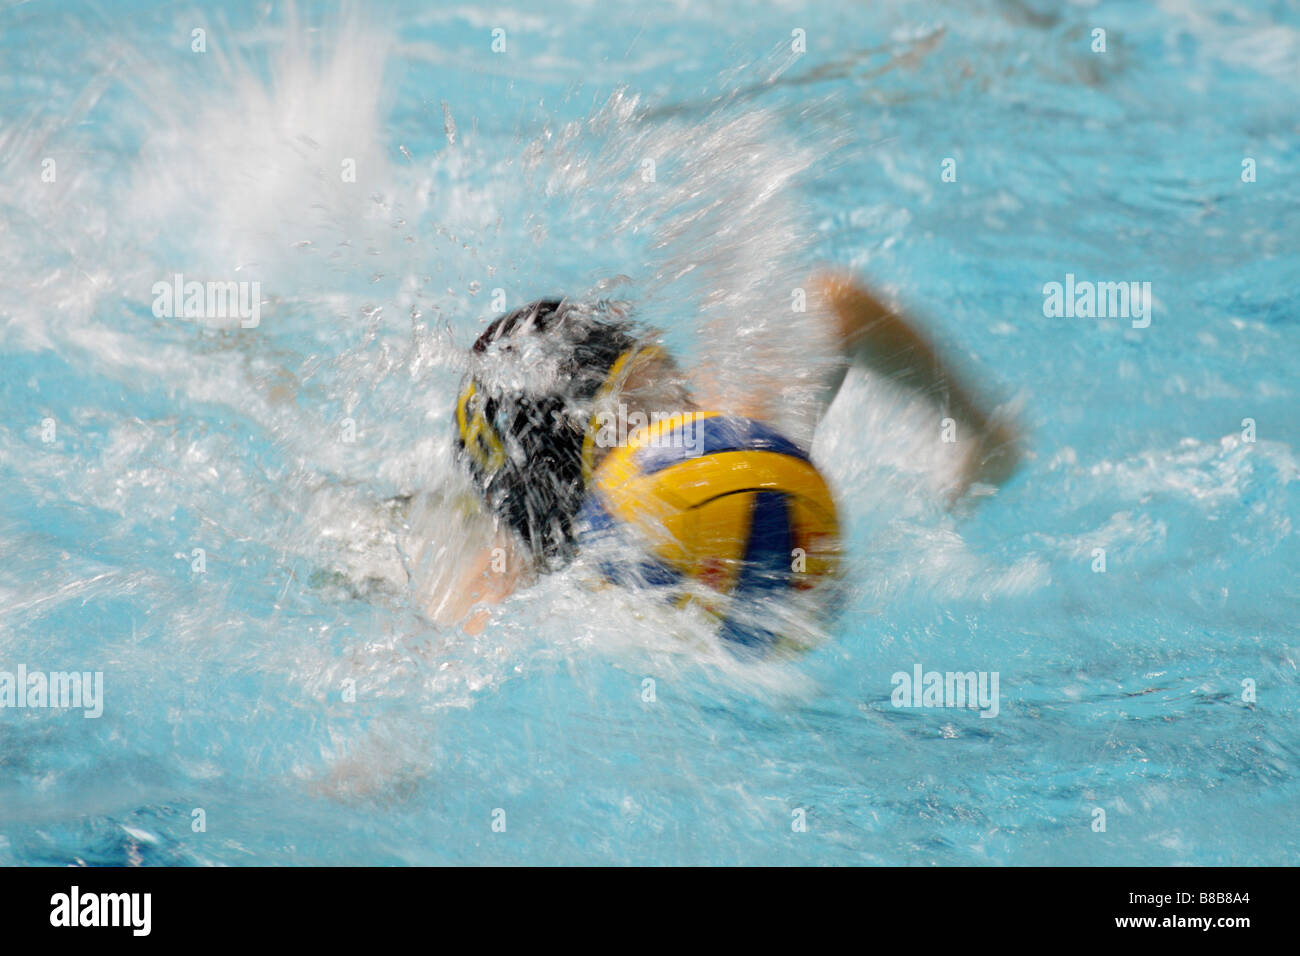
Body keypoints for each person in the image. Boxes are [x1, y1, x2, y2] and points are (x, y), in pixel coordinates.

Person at [428, 273, 1020, 647]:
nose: (686, 418)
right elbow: (437, 666)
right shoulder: (513, 597)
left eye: (665, 375)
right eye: (649, 412)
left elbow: (838, 303)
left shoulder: (738, 450)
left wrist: (984, 436)